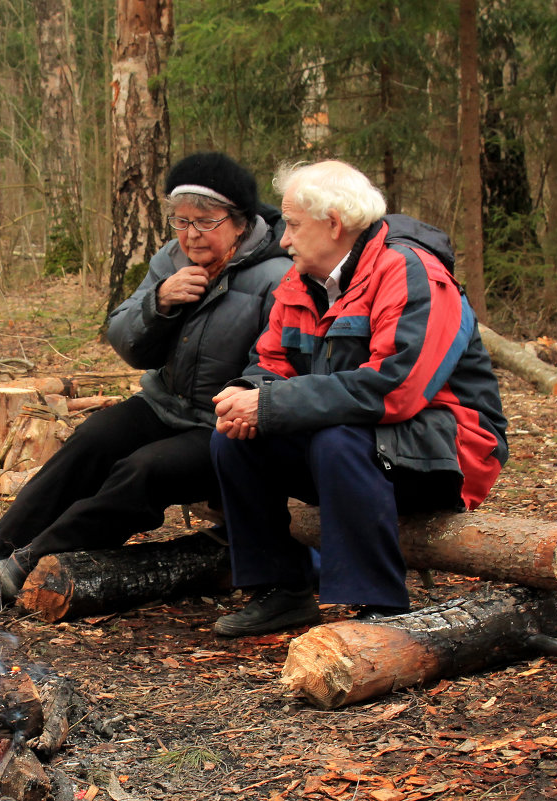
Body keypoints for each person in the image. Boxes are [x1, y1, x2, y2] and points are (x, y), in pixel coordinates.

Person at [0, 152, 293, 611]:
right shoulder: (170, 259)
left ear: (239, 222)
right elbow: (126, 341)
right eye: (181, 221)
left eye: (205, 222)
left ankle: (26, 566)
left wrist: (239, 398)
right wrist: (160, 301)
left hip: (218, 425)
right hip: (164, 405)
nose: (191, 235)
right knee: (91, 440)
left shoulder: (277, 276)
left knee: (142, 471)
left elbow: (273, 366)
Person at [209, 159, 509, 638]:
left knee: (338, 439)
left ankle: (380, 606)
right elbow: (270, 362)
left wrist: (272, 405)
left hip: (449, 449)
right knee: (236, 438)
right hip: (360, 443)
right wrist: (247, 393)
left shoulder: (412, 274)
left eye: (292, 225)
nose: (283, 239)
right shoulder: (300, 282)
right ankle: (281, 590)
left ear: (333, 224)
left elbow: (396, 388)